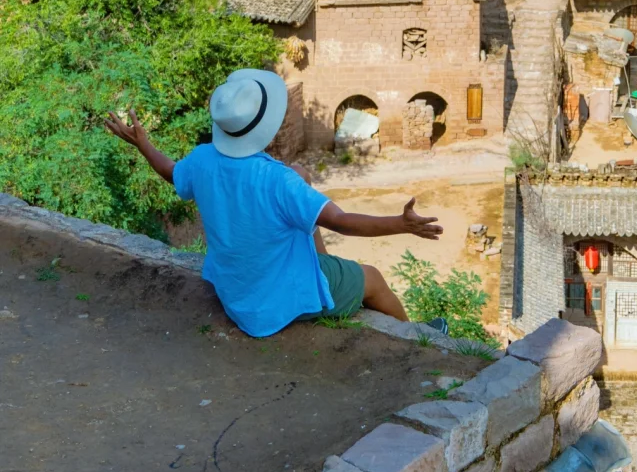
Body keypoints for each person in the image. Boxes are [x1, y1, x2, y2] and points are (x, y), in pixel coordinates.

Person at [105, 67, 442, 339]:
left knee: (302, 175)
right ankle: (414, 335)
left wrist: (143, 144)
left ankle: (323, 265)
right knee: (374, 279)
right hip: (276, 301)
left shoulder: (203, 159)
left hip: (236, 291)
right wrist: (401, 224)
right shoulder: (276, 181)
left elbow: (172, 172)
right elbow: (339, 220)